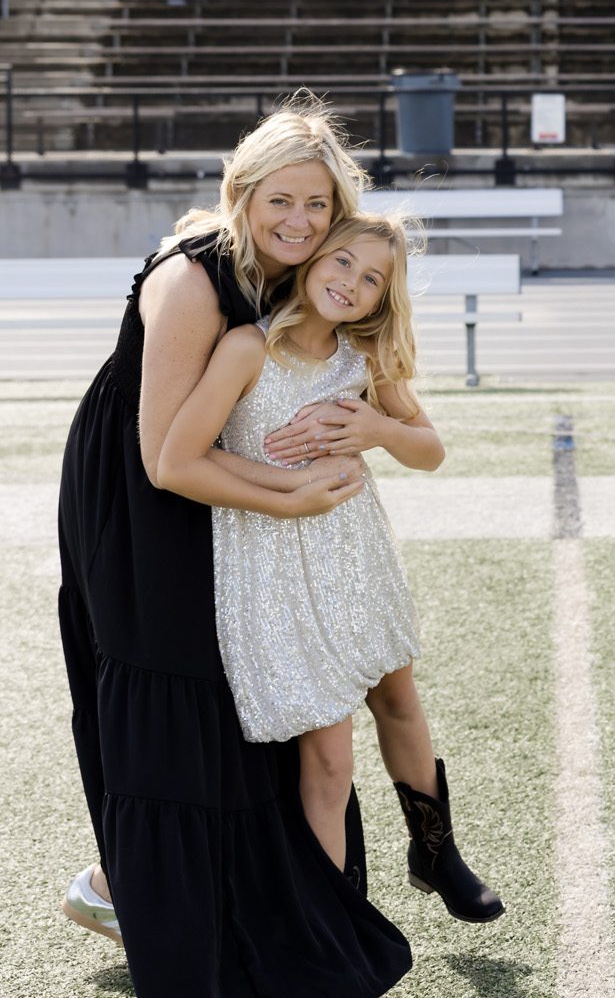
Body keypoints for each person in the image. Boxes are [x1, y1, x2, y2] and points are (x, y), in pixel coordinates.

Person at [57, 98, 413, 998]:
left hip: (230, 490)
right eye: (279, 201)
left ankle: (271, 940)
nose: (300, 221)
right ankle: (148, 914)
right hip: (144, 503)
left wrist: (356, 434)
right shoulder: (190, 281)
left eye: (317, 204)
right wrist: (291, 494)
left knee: (252, 704)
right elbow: (163, 458)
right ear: (241, 193)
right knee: (186, 709)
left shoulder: (306, 273)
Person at [158, 211, 504, 929]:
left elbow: (430, 451)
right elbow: (182, 457)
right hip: (273, 565)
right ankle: (332, 928)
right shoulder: (245, 349)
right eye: (344, 262)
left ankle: (435, 852)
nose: (351, 283)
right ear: (313, 257)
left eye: (372, 278)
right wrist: (290, 486)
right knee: (328, 758)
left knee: (399, 700)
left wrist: (378, 429)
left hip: (356, 555)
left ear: (382, 298)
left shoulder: (364, 359)